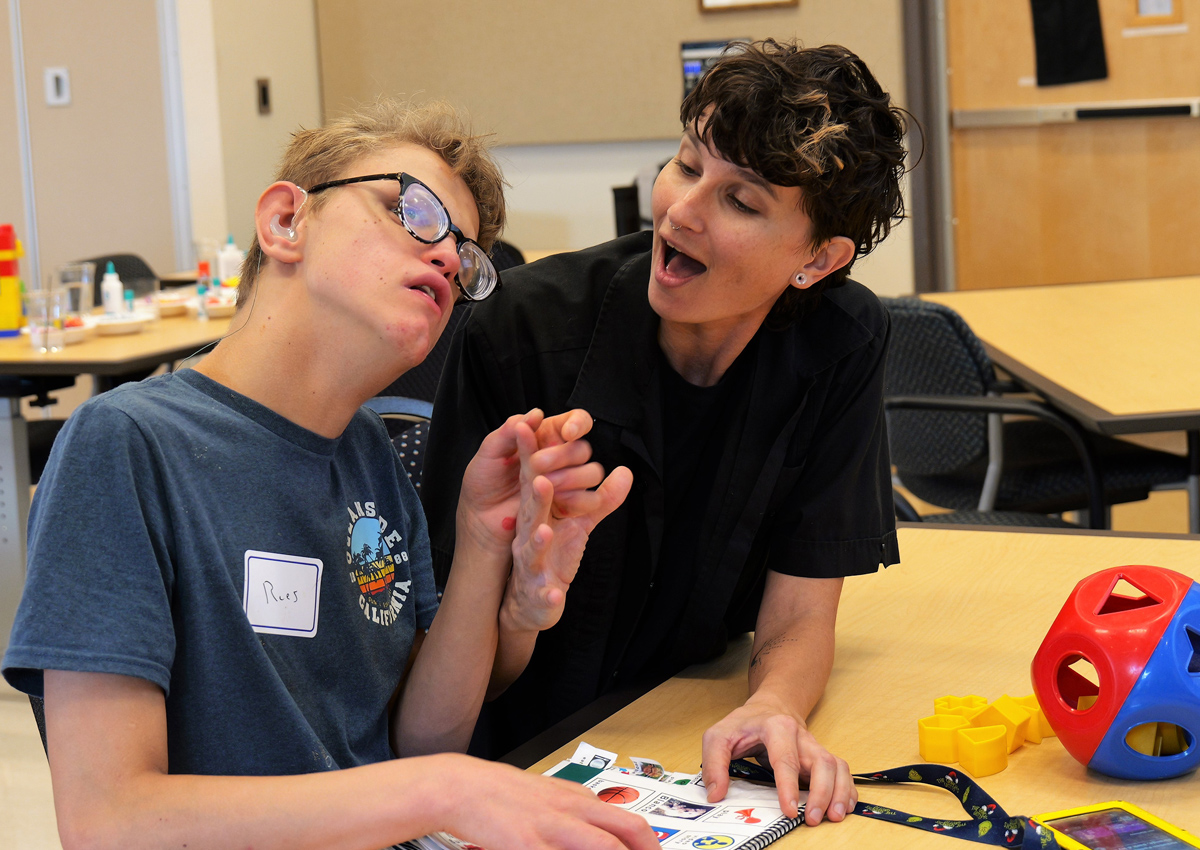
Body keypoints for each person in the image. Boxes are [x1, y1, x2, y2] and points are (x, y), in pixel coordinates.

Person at [2, 100, 657, 850]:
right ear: (287, 221)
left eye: (467, 255)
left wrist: (485, 548)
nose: (448, 256)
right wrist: (436, 791)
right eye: (411, 211)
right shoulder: (127, 444)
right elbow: (109, 822)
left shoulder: (372, 454)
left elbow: (417, 741)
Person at [422, 40, 907, 827]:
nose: (681, 211)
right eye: (686, 166)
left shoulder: (839, 344)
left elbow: (801, 610)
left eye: (741, 202)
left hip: (677, 739)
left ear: (818, 258)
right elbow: (440, 665)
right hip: (510, 767)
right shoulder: (521, 329)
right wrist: (515, 592)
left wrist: (777, 705)